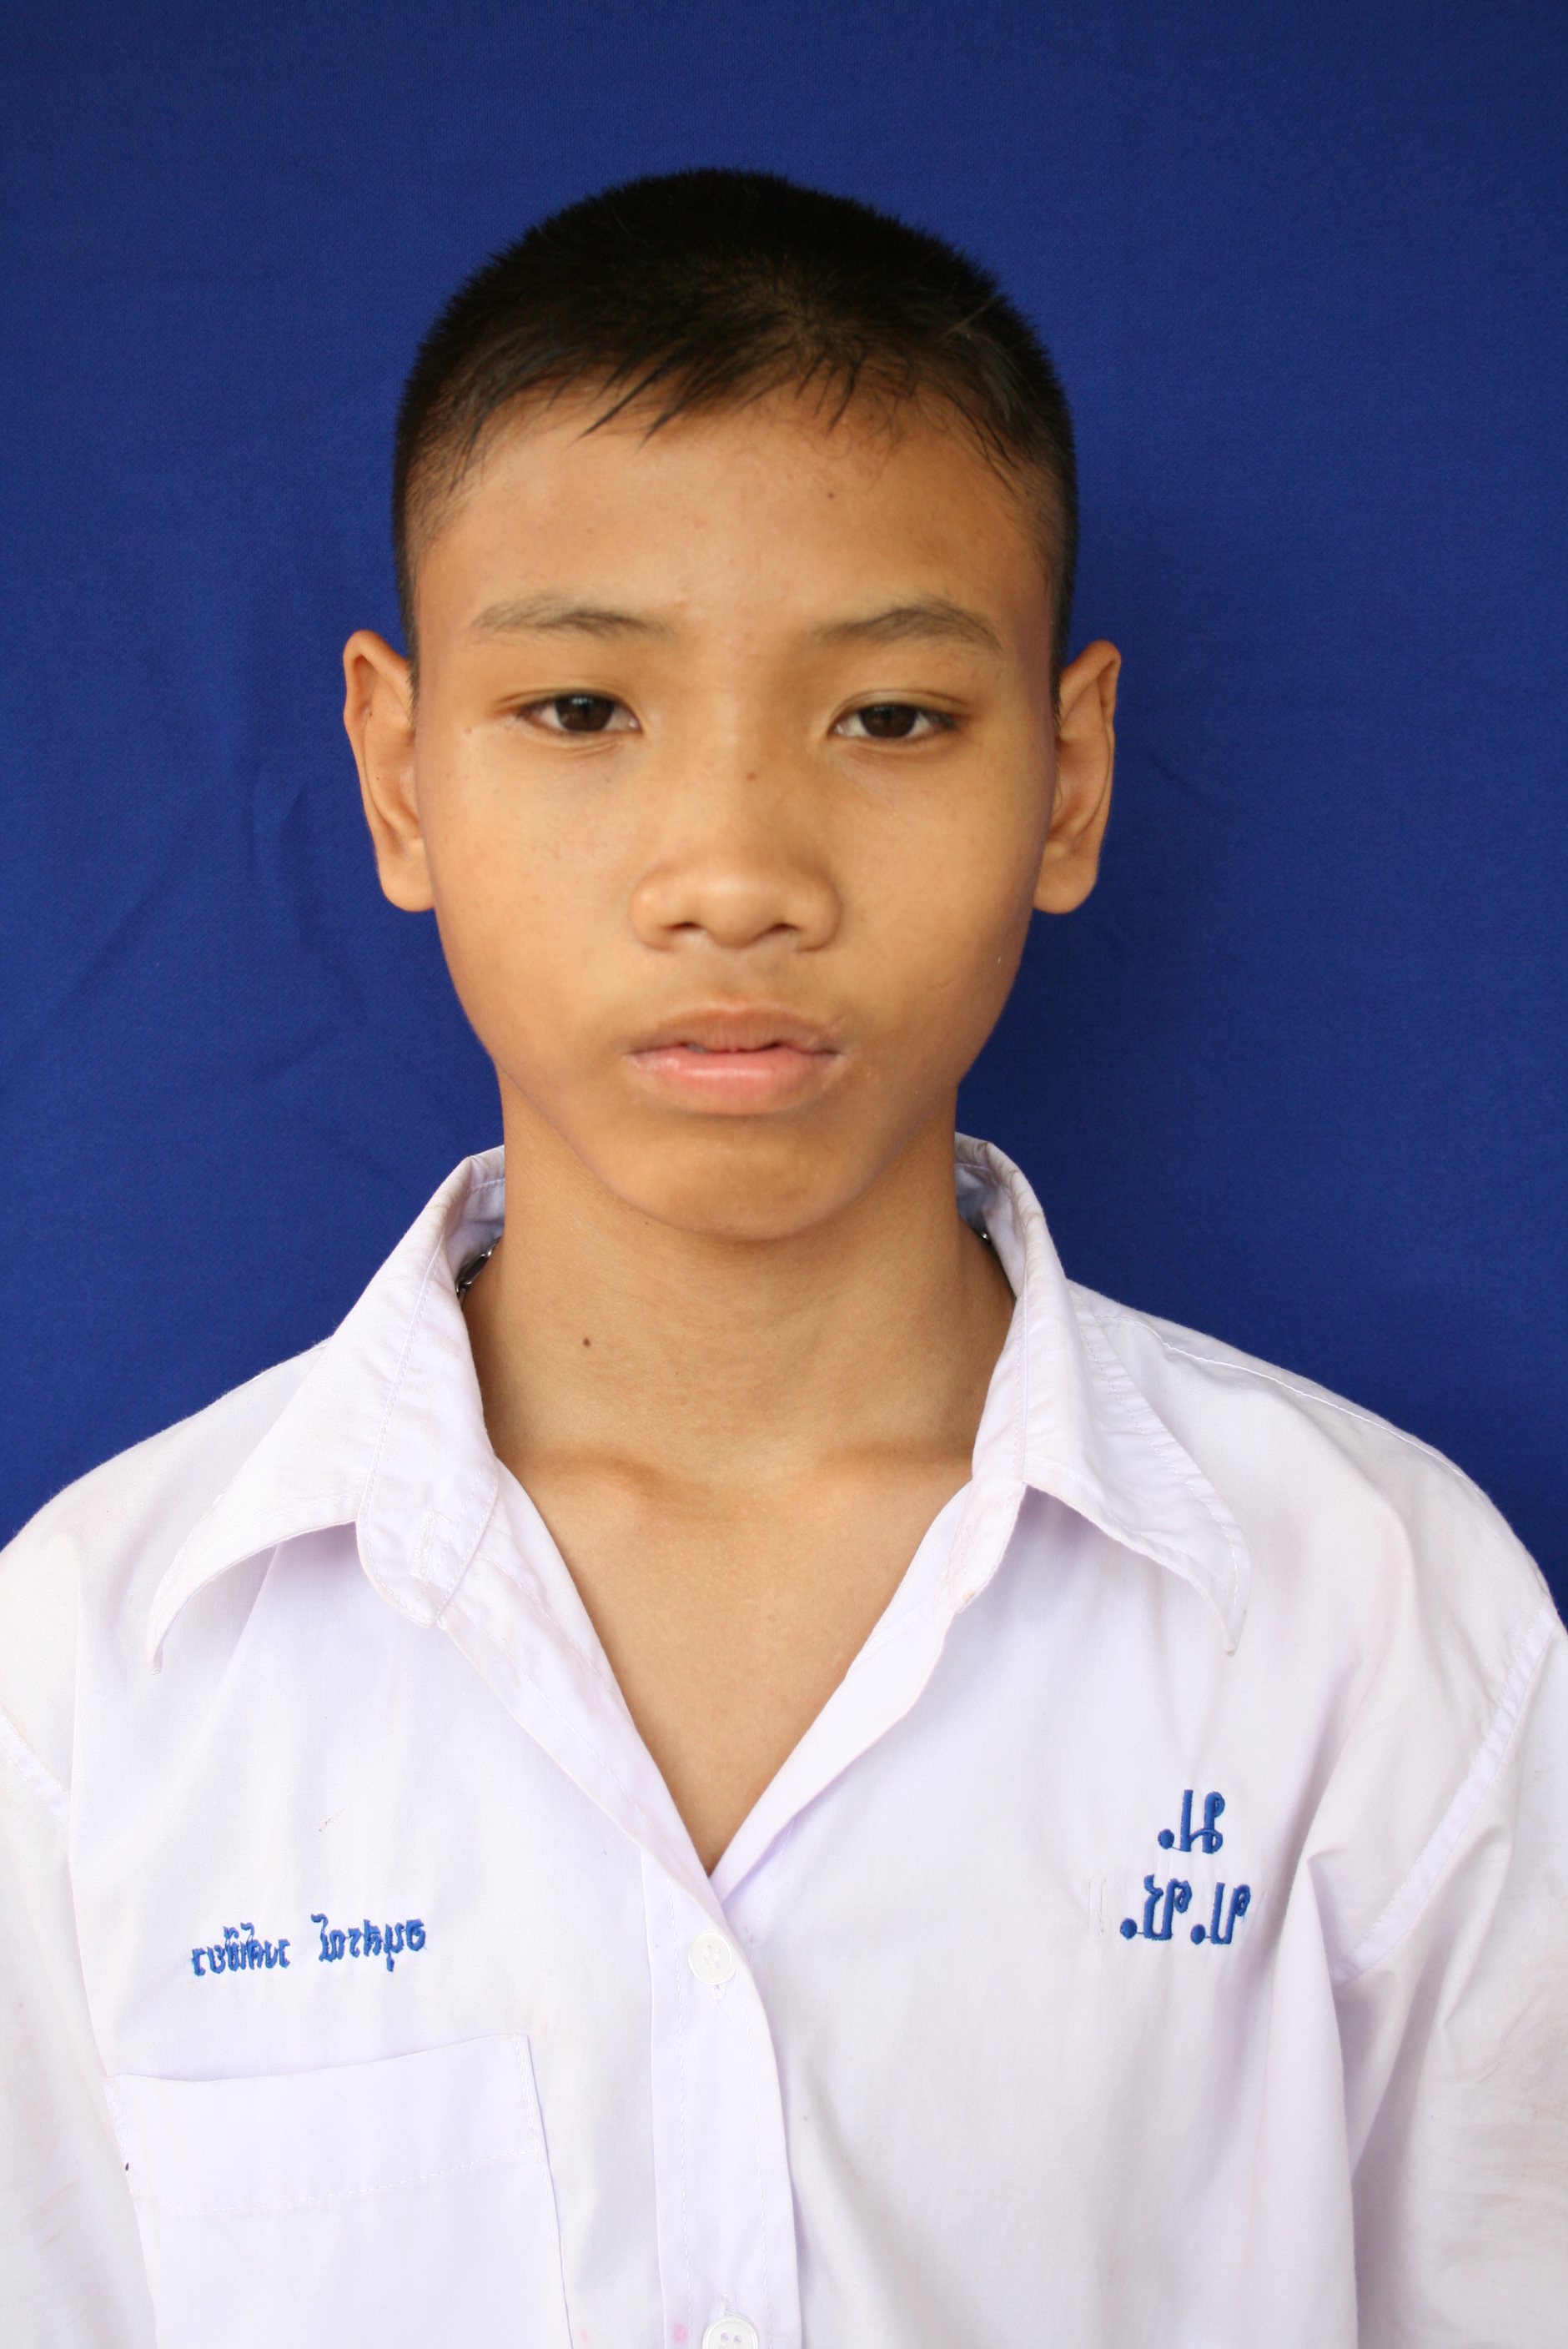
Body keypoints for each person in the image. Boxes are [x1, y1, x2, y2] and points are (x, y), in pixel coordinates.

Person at [0, 169, 1562, 2349]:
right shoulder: (94, 1673)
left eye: (891, 719)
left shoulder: (1376, 1621)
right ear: (398, 772)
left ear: (1070, 777)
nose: (734, 873)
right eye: (581, 711)